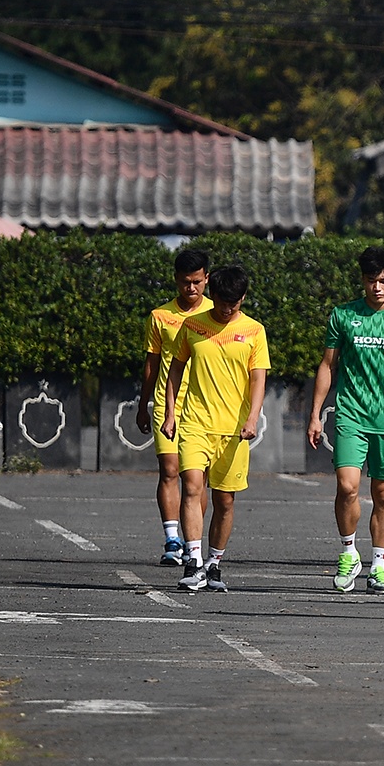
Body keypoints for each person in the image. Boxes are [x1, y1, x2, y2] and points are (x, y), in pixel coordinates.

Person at [307, 247, 384, 594]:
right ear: (362, 280)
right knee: (347, 486)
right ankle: (348, 552)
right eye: (371, 280)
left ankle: (380, 566)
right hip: (351, 415)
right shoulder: (343, 315)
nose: (377, 287)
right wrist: (315, 413)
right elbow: (328, 365)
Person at [160, 265, 268, 593]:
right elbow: (176, 370)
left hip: (233, 430)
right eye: (221, 301)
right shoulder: (193, 325)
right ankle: (193, 562)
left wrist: (252, 418)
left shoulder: (254, 331)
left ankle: (214, 563)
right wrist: (169, 413)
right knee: (192, 487)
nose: (226, 308)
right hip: (195, 423)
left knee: (225, 501)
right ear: (213, 296)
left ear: (243, 298)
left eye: (233, 303)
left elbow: (258, 379)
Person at [139, 249, 211, 566]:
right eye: (185, 282)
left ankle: (192, 539)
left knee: (196, 478)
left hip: (203, 406)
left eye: (197, 282)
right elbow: (151, 364)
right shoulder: (160, 316)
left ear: (207, 278)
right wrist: (143, 403)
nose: (191, 289)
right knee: (169, 469)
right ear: (176, 281)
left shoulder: (216, 312)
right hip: (167, 402)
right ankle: (172, 539)